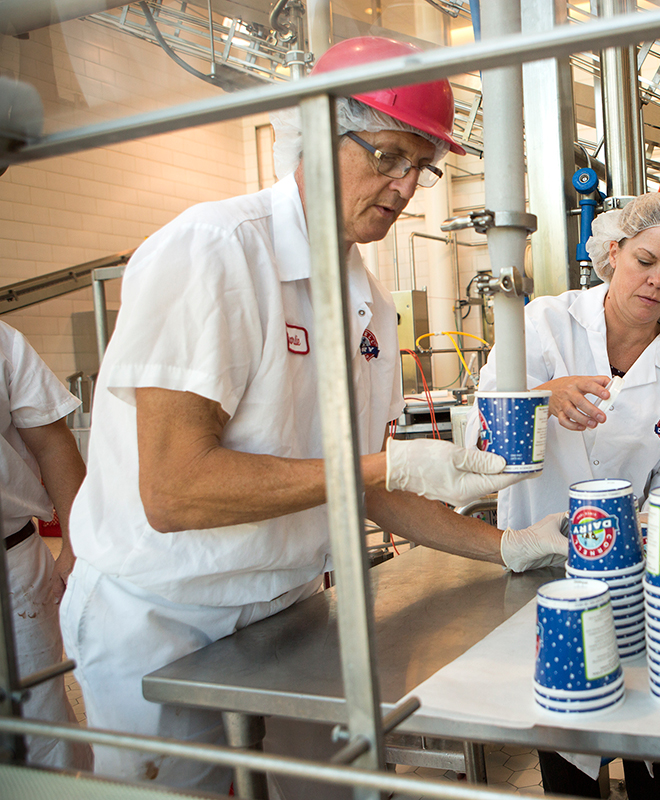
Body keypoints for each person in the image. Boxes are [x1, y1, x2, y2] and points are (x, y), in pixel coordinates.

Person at [60, 36, 565, 793]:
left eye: (421, 168)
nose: (403, 186)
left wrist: (511, 546)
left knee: (332, 787)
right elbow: (173, 492)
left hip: (290, 609)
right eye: (388, 156)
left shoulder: (368, 299)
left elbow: (360, 485)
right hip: (167, 614)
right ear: (319, 133)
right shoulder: (215, 251)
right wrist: (384, 464)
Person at [475, 191, 660, 799]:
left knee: (652, 747)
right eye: (645, 260)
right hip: (543, 560)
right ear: (614, 252)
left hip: (634, 578)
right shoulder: (544, 323)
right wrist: (542, 395)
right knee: (568, 744)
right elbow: (482, 420)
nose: (657, 281)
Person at [0, 320, 92, 771]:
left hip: (11, 565)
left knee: (38, 720)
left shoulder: (3, 342)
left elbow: (53, 445)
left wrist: (75, 545)